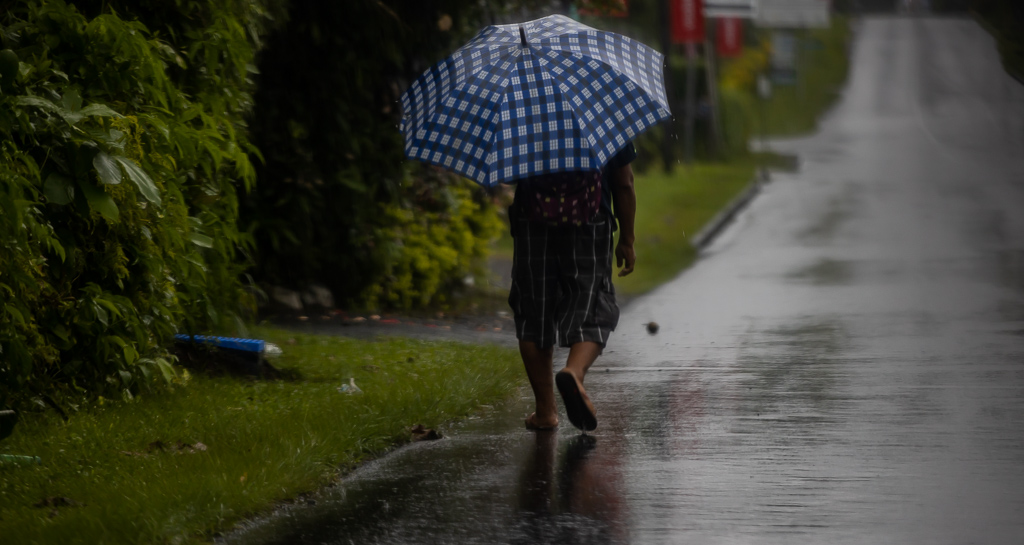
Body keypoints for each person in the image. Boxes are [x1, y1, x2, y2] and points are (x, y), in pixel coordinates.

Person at [508, 142, 637, 431]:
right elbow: (624, 182)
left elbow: (508, 172)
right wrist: (627, 239)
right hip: (590, 220)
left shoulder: (522, 112)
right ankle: (574, 372)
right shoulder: (603, 109)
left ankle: (545, 412)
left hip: (532, 220)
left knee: (533, 311)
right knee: (591, 304)